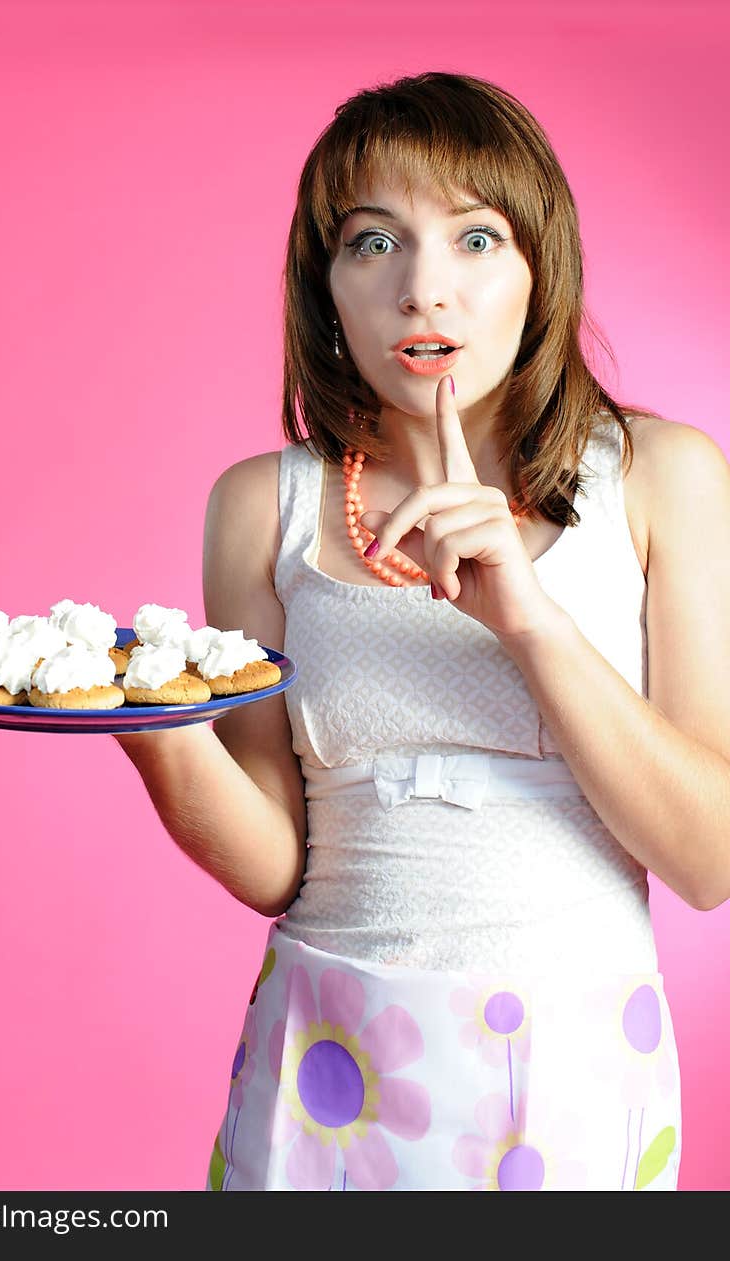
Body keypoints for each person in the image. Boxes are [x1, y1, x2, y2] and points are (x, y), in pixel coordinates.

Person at [113, 71, 730, 1191]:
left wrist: (528, 621)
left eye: (476, 238)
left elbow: (707, 856)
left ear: (541, 270)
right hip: (327, 1060)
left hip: (575, 1062)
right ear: (327, 289)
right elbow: (274, 861)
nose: (423, 291)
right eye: (372, 243)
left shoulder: (661, 477)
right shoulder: (263, 505)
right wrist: (149, 727)